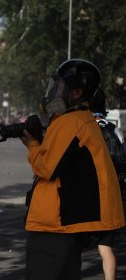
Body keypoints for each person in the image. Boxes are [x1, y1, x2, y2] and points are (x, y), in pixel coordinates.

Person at [20, 59, 125, 280]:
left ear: (76, 92)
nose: (54, 93)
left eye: (59, 88)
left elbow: (47, 168)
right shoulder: (83, 120)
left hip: (53, 224)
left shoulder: (71, 122)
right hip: (66, 224)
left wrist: (31, 144)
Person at [89, 88, 126, 280]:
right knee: (106, 248)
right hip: (111, 196)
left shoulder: (82, 126)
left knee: (74, 246)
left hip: (86, 197)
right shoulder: (113, 129)